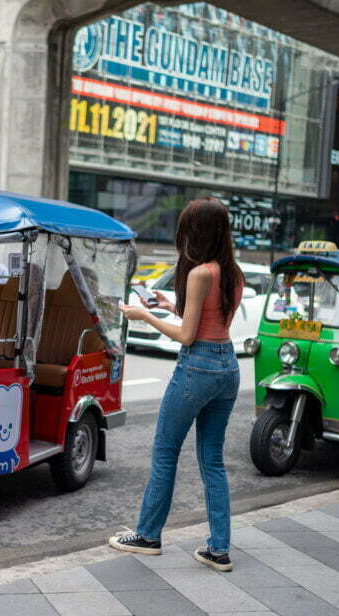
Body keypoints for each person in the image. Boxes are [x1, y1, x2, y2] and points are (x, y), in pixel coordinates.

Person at [111, 197, 244, 572]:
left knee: (166, 451)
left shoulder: (200, 273)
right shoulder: (232, 272)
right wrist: (169, 306)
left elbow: (187, 337)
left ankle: (148, 535)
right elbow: (212, 321)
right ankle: (219, 549)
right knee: (212, 460)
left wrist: (143, 316)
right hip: (227, 368)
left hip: (196, 367)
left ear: (195, 232)